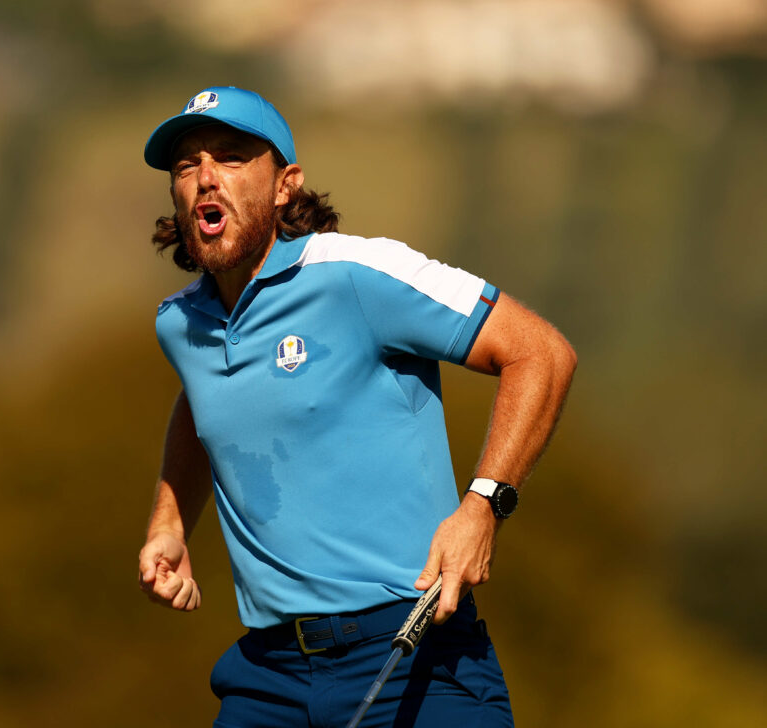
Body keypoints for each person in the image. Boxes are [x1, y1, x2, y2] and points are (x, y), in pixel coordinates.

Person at [136, 86, 576, 728]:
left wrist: (485, 505)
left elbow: (541, 352)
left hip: (415, 659)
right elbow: (203, 402)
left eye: (231, 158)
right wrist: (169, 523)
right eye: (186, 165)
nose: (205, 178)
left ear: (285, 184)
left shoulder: (359, 274)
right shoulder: (180, 324)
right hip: (266, 679)